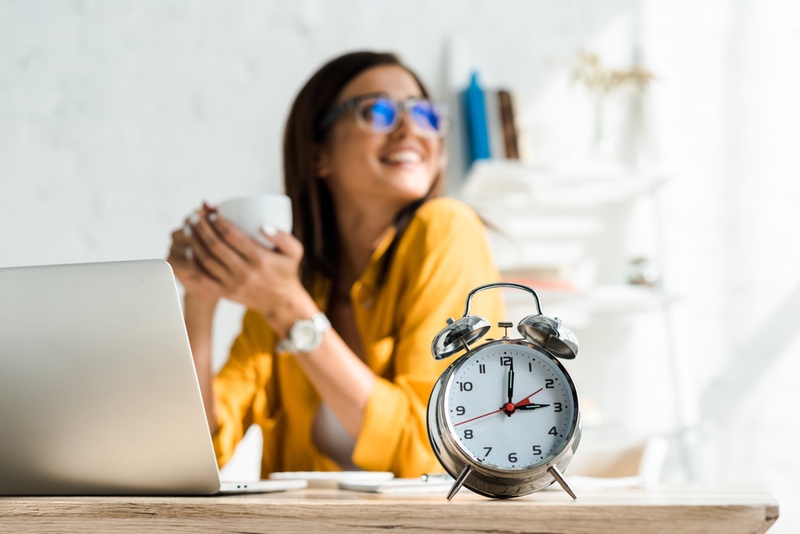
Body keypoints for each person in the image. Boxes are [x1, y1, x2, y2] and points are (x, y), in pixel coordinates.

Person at [167, 50, 505, 478]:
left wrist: (289, 311)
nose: (410, 129)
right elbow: (198, 452)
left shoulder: (448, 227)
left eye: (424, 114)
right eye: (379, 111)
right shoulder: (293, 283)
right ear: (317, 155)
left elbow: (438, 449)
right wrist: (199, 299)